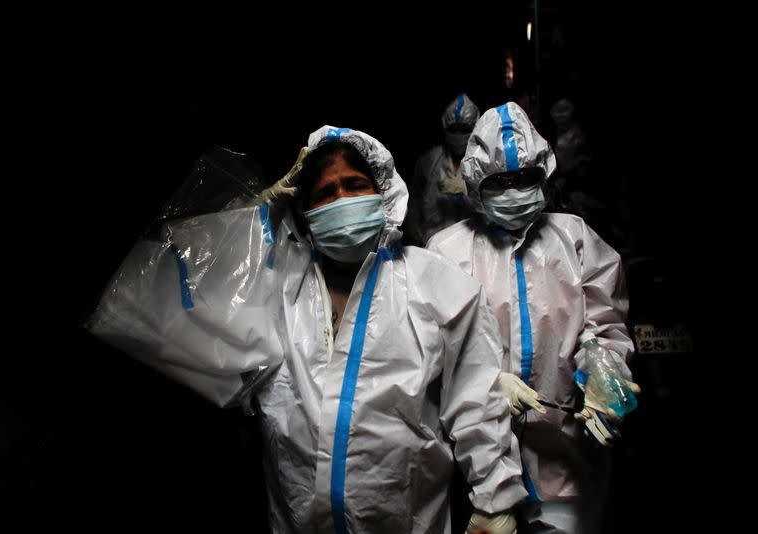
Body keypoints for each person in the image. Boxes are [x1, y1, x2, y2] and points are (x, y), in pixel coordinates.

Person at [88, 125, 527, 533]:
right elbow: (154, 297)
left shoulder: (437, 284)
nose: (341, 201)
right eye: (324, 193)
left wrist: (496, 501)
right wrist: (263, 209)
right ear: (306, 211)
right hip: (296, 519)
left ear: (384, 194)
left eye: (355, 186)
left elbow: (477, 399)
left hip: (405, 519)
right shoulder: (276, 284)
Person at [427, 102, 640, 534]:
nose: (513, 190)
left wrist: (603, 373)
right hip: (477, 463)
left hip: (567, 456)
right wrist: (487, 383)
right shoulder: (445, 252)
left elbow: (605, 326)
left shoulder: (575, 239)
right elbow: (432, 351)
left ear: (543, 174)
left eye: (524, 178)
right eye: (499, 182)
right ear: (475, 183)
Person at [406, 93, 480, 246]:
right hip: (432, 245)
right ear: (446, 128)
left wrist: (465, 189)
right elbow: (414, 201)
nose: (458, 135)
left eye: (464, 129)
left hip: (473, 245)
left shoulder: (482, 161)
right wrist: (418, 237)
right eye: (454, 129)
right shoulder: (430, 161)